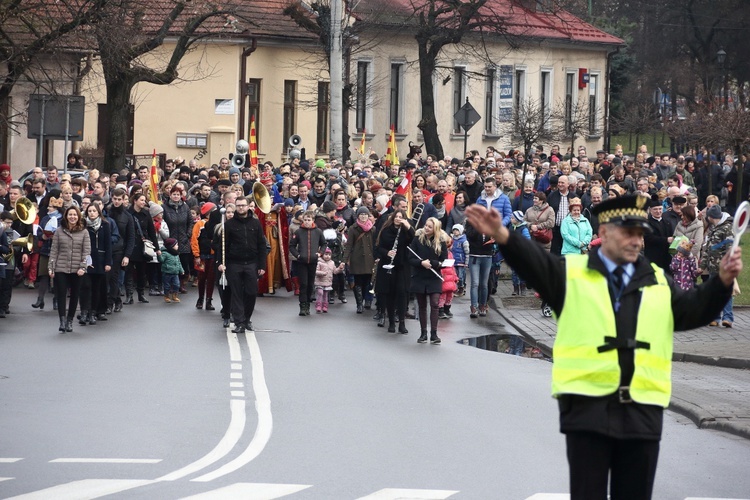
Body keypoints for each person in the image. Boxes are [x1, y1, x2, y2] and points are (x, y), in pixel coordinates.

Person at [464, 195, 742, 500]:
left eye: (640, 234)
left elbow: (694, 309)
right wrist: (504, 235)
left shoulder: (658, 281)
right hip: (587, 408)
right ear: (606, 232)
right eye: (629, 233)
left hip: (642, 410)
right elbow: (535, 263)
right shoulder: (572, 273)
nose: (637, 241)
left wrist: (721, 282)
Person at [219, 196, 268, 333]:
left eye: (243, 205)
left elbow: (261, 245)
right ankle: (239, 322)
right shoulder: (229, 225)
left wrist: (262, 265)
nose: (241, 207)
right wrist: (221, 263)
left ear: (248, 207)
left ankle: (247, 319)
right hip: (234, 263)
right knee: (236, 293)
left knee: (251, 292)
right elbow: (222, 246)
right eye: (238, 205)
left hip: (251, 263)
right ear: (236, 206)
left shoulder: (255, 224)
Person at [49, 206, 91, 333]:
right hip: (61, 267)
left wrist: (83, 267)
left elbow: (86, 252)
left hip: (77, 269)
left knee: (74, 295)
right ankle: (62, 321)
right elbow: (54, 250)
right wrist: (51, 267)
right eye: (70, 214)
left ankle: (69, 321)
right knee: (61, 294)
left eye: (75, 215)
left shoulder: (84, 232)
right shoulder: (59, 231)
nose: (72, 217)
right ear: (66, 216)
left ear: (78, 217)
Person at [408, 217, 448, 344]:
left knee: (435, 304)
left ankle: (434, 333)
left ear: (435, 229)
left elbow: (444, 261)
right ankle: (423, 332)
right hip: (419, 276)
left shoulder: (441, 241)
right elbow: (410, 258)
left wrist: (433, 263)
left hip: (434, 276)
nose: (426, 228)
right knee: (422, 306)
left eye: (429, 227)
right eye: (426, 225)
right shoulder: (417, 239)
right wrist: (421, 263)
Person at [374, 209, 414, 332]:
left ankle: (402, 323)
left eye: (401, 217)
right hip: (388, 266)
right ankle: (391, 322)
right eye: (396, 216)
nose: (398, 219)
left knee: (402, 294)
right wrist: (387, 253)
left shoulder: (406, 231)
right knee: (389, 295)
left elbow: (414, 240)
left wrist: (409, 227)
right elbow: (378, 248)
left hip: (402, 266)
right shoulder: (385, 230)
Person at [700, 205, 735, 327]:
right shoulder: (713, 229)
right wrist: (702, 265)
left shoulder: (727, 228)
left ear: (710, 217)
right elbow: (707, 249)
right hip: (713, 268)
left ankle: (728, 318)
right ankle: (715, 317)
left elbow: (730, 249)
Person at [78, 204, 112, 325]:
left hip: (100, 260)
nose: (92, 213)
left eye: (94, 211)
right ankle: (84, 312)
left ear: (99, 212)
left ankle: (93, 312)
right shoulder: (83, 226)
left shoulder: (105, 225)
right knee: (85, 286)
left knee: (97, 288)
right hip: (86, 259)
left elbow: (108, 244)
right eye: (90, 211)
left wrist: (108, 262)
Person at [290, 210, 326, 316]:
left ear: (313, 220)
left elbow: (324, 244)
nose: (306, 222)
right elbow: (292, 245)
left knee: (310, 284)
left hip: (313, 261)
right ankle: (303, 305)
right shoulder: (299, 232)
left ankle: (308, 304)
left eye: (309, 220)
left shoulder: (318, 231)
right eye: (305, 220)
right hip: (302, 261)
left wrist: (320, 253)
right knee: (304, 284)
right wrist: (298, 255)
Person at [343, 206, 375, 314]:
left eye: (365, 214)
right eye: (361, 214)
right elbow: (349, 245)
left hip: (370, 259)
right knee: (358, 283)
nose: (363, 216)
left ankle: (366, 301)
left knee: (368, 282)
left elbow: (376, 244)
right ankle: (359, 304)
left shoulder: (373, 229)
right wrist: (344, 260)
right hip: (357, 259)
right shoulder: (353, 228)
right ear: (358, 215)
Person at [191, 202, 217, 310]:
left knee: (211, 278)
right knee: (201, 278)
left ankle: (209, 300)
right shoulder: (200, 224)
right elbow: (194, 240)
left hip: (213, 256)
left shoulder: (217, 224)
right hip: (202, 256)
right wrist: (196, 255)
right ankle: (200, 298)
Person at [315, 248, 344, 313]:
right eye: (326, 254)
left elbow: (335, 271)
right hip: (320, 281)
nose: (328, 256)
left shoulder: (332, 263)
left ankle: (325, 306)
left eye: (329, 255)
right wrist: (322, 273)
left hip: (327, 282)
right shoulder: (319, 262)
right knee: (320, 293)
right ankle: (318, 305)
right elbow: (316, 271)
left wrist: (340, 268)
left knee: (325, 294)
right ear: (322, 255)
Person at [509, 210, 531, 295]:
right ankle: (515, 288)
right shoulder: (511, 227)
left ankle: (523, 287)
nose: (511, 219)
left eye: (512, 218)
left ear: (518, 219)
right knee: (514, 272)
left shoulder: (523, 229)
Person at [159, 237, 185, 303]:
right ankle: (166, 296)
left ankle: (175, 296)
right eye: (176, 245)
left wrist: (181, 270)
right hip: (167, 272)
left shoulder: (176, 254)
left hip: (175, 273)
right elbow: (161, 260)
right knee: (167, 286)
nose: (178, 246)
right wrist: (159, 255)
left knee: (177, 284)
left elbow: (179, 263)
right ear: (171, 246)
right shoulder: (165, 253)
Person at [450, 224, 469, 296]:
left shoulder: (464, 241)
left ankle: (461, 288)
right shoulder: (452, 239)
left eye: (457, 230)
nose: (455, 232)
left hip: (461, 262)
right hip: (454, 261)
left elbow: (467, 252)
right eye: (454, 230)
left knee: (460, 276)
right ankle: (456, 288)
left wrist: (466, 262)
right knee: (454, 276)